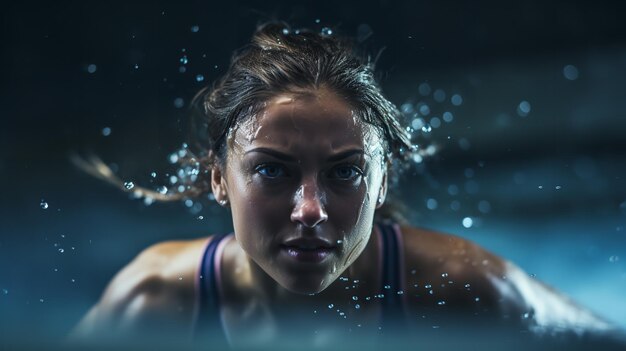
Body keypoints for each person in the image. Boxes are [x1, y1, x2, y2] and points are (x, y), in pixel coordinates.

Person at [71, 22, 624, 349]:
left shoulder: (467, 291)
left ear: (382, 184)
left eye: (345, 172)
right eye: (271, 170)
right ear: (219, 178)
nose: (310, 209)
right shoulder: (156, 300)